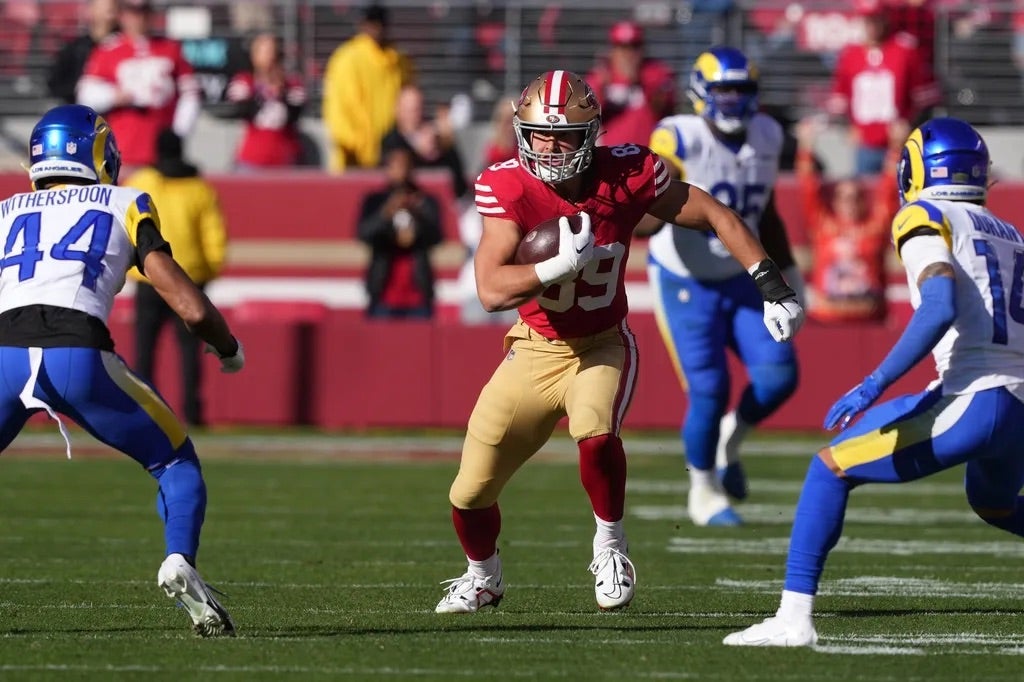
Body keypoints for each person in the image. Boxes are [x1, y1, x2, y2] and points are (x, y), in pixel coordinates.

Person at [433, 69, 805, 615]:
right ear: (522, 132)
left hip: (602, 343)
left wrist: (771, 283)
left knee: (595, 432)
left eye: (564, 135)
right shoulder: (507, 185)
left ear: (592, 135)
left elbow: (715, 213)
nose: (551, 146)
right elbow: (489, 289)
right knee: (468, 493)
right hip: (535, 345)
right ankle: (482, 576)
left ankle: (610, 547)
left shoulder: (627, 173)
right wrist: (556, 266)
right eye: (540, 133)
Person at [723, 117, 1024, 647]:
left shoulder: (927, 214)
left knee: (829, 468)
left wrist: (876, 381)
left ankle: (793, 619)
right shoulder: (1010, 233)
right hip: (1019, 406)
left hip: (974, 398)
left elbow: (937, 306)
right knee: (993, 501)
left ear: (920, 167)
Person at [1, 104, 243, 636]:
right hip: (76, 354)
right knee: (175, 462)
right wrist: (226, 348)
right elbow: (191, 307)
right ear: (98, 151)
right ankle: (179, 560)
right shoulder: (125, 201)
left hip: (4, 354)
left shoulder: (8, 209)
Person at [635, 47, 804, 527]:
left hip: (742, 274)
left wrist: (790, 275)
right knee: (709, 389)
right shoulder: (677, 136)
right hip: (685, 278)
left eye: (742, 90)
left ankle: (732, 438)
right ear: (700, 94)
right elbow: (651, 201)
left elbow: (765, 213)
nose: (732, 100)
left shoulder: (769, 134)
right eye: (723, 90)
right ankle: (703, 489)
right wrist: (639, 205)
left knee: (779, 376)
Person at [124, 129, 227, 427]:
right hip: (190, 279)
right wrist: (208, 272)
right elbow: (214, 236)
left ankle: (145, 412)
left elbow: (127, 229)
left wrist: (133, 270)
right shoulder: (200, 189)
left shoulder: (141, 184)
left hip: (149, 278)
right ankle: (193, 414)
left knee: (144, 350)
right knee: (190, 352)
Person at [796, 116, 904, 325]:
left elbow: (889, 189)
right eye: (844, 197)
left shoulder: (875, 227)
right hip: (827, 321)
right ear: (834, 201)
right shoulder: (823, 226)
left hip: (870, 321)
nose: (850, 202)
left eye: (856, 197)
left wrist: (896, 146)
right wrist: (806, 146)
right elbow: (808, 187)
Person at [76, 0, 201, 170]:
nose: (139, 18)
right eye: (132, 11)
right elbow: (86, 94)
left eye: (144, 11)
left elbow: (190, 95)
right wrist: (115, 96)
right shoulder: (108, 50)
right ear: (122, 15)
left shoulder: (171, 48)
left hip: (162, 150)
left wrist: (178, 133)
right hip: (123, 149)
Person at [826, 0, 941, 176]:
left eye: (876, 19)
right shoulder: (851, 55)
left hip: (898, 142)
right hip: (865, 144)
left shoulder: (905, 51)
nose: (872, 25)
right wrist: (847, 127)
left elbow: (925, 97)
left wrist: (909, 125)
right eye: (868, 20)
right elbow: (839, 97)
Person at [321, 3, 415, 173]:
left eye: (379, 24)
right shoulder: (347, 58)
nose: (376, 29)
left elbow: (409, 101)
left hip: (390, 155)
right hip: (354, 157)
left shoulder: (399, 60)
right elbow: (337, 108)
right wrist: (353, 143)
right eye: (371, 24)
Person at [357, 144, 443, 319]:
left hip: (418, 295)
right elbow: (363, 234)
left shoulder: (425, 201)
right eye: (396, 165)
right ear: (387, 168)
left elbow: (437, 236)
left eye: (405, 165)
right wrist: (386, 213)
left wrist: (417, 214)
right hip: (382, 294)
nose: (401, 170)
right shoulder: (374, 201)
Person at [585, 21, 676, 148]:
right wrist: (601, 89)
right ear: (613, 50)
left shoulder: (656, 73)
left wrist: (640, 82)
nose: (628, 54)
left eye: (634, 47)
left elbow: (664, 110)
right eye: (622, 47)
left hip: (649, 156)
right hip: (611, 155)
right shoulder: (600, 76)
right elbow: (585, 115)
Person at [224, 32, 308, 170]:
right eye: (263, 51)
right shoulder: (245, 81)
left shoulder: (292, 84)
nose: (269, 56)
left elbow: (293, 115)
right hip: (253, 159)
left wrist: (281, 93)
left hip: (284, 158)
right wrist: (262, 93)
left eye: (272, 50)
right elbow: (243, 111)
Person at [380, 84, 468, 200]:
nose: (413, 115)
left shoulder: (437, 138)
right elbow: (395, 175)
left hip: (439, 203)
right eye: (408, 109)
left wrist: (445, 144)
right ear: (397, 110)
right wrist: (419, 152)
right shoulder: (390, 141)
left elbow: (458, 183)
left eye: (416, 109)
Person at [46, 0, 119, 105]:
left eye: (112, 6)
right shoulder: (75, 48)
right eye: (103, 6)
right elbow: (55, 83)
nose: (109, 10)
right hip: (80, 112)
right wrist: (80, 89)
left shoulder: (124, 45)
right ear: (91, 10)